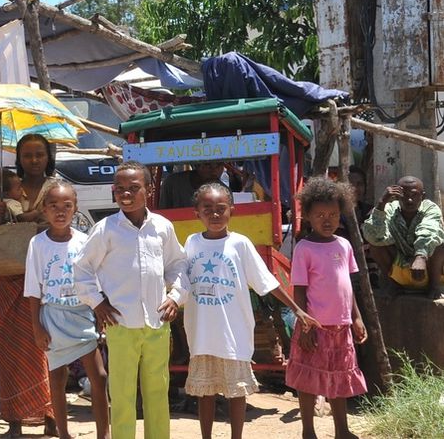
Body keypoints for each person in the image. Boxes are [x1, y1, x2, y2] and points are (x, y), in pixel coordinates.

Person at [180, 182, 318, 439]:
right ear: (196, 212)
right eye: (207, 208)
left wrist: (297, 309)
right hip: (201, 335)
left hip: (233, 334)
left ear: (232, 211)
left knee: (236, 392)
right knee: (205, 392)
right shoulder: (191, 243)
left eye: (221, 208)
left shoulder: (240, 244)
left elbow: (267, 282)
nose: (214, 214)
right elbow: (181, 282)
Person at [74, 161, 187, 439]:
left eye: (133, 188)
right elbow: (81, 268)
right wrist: (97, 303)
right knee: (122, 394)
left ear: (148, 190)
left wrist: (175, 297)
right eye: (120, 189)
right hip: (120, 324)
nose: (126, 194)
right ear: (114, 193)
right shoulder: (106, 230)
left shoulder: (162, 227)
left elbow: (178, 265)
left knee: (157, 392)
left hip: (157, 325)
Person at [0, 133, 56, 438]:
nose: (34, 160)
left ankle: (51, 417)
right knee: (10, 348)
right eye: (28, 155)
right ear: (19, 158)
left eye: (39, 154)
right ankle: (14, 420)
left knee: (47, 346)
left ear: (48, 156)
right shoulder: (6, 188)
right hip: (10, 278)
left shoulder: (56, 188)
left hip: (48, 276)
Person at [24, 182, 110, 439]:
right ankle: (63, 433)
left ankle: (103, 433)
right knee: (58, 377)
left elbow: (96, 281)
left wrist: (98, 314)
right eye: (53, 206)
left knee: (100, 375)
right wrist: (36, 327)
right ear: (44, 210)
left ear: (75, 208)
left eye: (66, 206)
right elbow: (33, 290)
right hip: (53, 318)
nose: (60, 212)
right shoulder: (37, 244)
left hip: (82, 314)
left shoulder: (86, 241)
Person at [287, 177, 367, 439]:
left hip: (341, 327)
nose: (327, 219)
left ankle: (342, 430)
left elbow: (347, 286)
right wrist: (305, 324)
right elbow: (299, 289)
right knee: (308, 380)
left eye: (333, 214)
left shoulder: (344, 245)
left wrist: (356, 318)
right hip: (315, 327)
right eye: (320, 214)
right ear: (307, 215)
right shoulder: (303, 248)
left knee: (339, 379)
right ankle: (308, 430)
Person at [361, 175, 444, 300]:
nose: (409, 200)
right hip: (401, 265)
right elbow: (373, 236)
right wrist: (381, 204)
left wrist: (421, 256)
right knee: (376, 246)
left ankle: (434, 286)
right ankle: (393, 284)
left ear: (423, 196)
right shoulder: (389, 209)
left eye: (414, 195)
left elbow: (429, 230)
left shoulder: (430, 208)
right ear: (397, 196)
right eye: (404, 195)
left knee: (439, 244)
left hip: (428, 264)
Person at [157, 161, 226, 209]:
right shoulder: (172, 183)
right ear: (197, 165)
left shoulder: (224, 191)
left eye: (219, 165)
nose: (214, 170)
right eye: (208, 165)